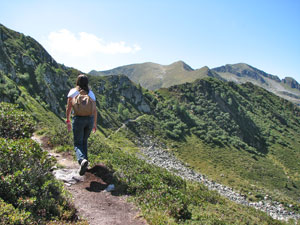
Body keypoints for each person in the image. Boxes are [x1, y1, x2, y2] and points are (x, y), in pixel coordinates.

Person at [66, 74, 97, 175]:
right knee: (84, 141)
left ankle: (82, 161)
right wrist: (94, 124)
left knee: (77, 143)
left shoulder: (73, 92)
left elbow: (69, 107)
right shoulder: (91, 93)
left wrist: (68, 121)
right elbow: (95, 110)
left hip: (78, 119)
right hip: (90, 119)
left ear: (77, 82)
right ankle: (85, 163)